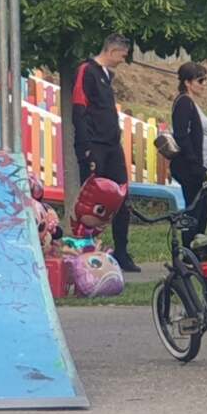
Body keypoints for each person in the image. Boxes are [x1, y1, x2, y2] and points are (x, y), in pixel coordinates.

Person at [71, 34, 140, 272]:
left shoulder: (107, 76)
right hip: (94, 145)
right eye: (122, 55)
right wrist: (85, 148)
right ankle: (85, 250)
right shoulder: (86, 71)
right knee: (92, 200)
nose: (123, 60)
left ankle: (122, 251)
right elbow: (79, 109)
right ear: (111, 51)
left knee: (121, 196)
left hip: (112, 145)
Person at [170, 62, 207, 248]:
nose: (204, 84)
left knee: (204, 209)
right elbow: (181, 134)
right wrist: (194, 162)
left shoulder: (190, 102)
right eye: (200, 81)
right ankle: (189, 249)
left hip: (196, 165)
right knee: (196, 210)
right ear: (187, 83)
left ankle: (196, 247)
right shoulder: (184, 102)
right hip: (189, 167)